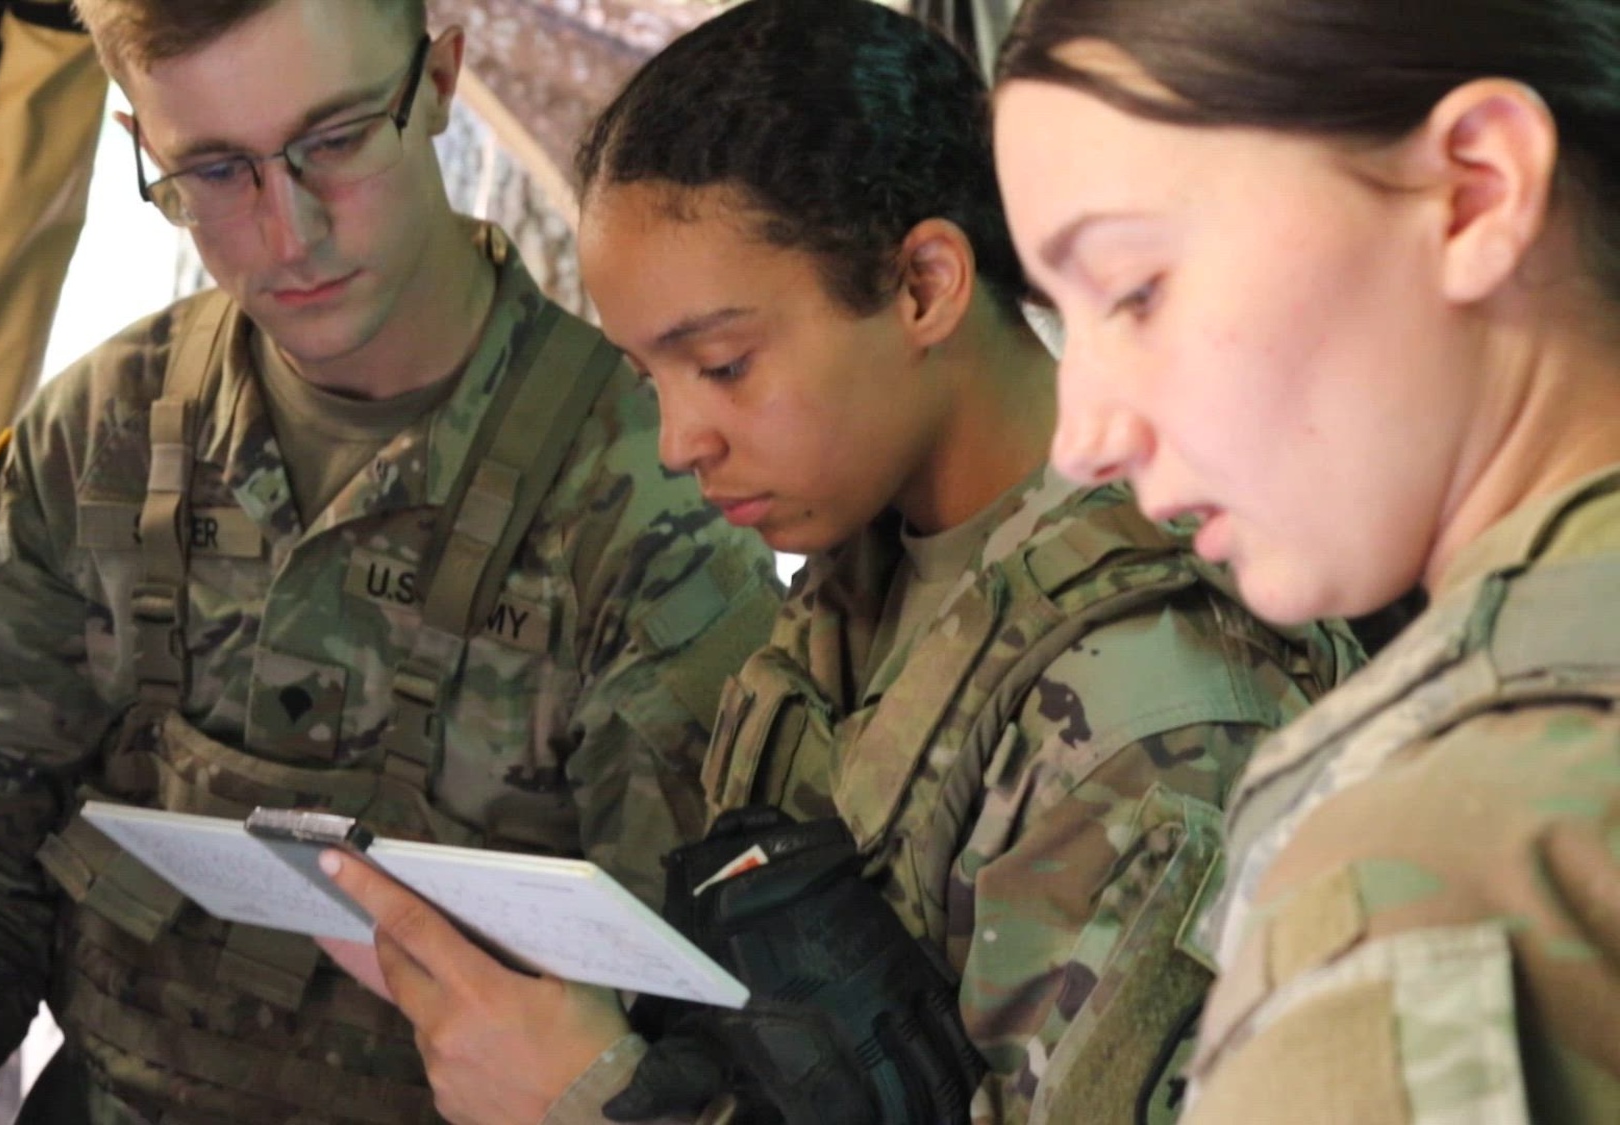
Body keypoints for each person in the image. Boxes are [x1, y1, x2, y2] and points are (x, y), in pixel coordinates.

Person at [314, 2, 1359, 1122]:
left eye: (720, 364)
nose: (678, 441)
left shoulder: (1158, 710)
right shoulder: (865, 584)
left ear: (921, 285)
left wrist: (593, 1103)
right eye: (647, 377)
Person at [0, 0, 783, 1121]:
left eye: (332, 141)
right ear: (144, 150)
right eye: (217, 172)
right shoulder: (97, 438)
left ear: (436, 84)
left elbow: (696, 1019)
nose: (289, 233)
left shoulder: (649, 503)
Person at [990, 0, 1620, 1120]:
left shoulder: (1427, 876)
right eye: (1062, 321)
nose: (1078, 437)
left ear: (1472, 190)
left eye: (1134, 290)